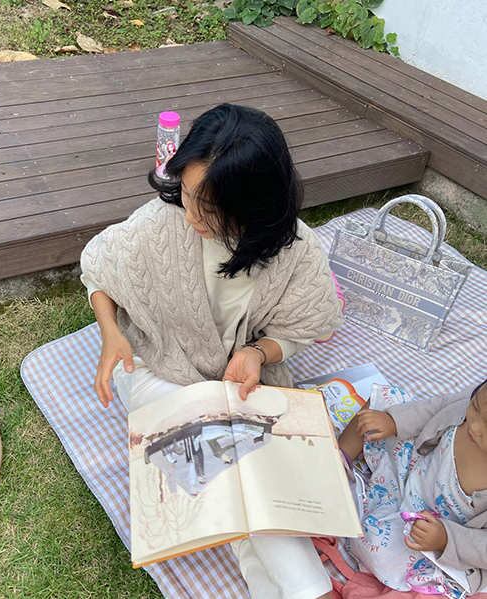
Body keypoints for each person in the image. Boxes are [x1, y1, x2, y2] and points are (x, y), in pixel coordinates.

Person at [80, 103, 343, 599]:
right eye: (187, 194)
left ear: (255, 206)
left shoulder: (297, 250)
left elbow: (305, 324)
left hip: (235, 381)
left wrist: (259, 353)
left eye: (211, 208)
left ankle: (291, 587)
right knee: (239, 457)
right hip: (157, 367)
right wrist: (111, 332)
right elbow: (99, 267)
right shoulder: (162, 222)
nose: (192, 216)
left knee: (238, 463)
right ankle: (314, 589)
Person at [338, 378, 487, 595]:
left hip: (433, 525)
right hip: (413, 463)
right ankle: (336, 462)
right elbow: (437, 407)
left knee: (380, 548)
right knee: (382, 406)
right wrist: (393, 422)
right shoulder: (475, 399)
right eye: (475, 408)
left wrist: (445, 539)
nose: (474, 426)